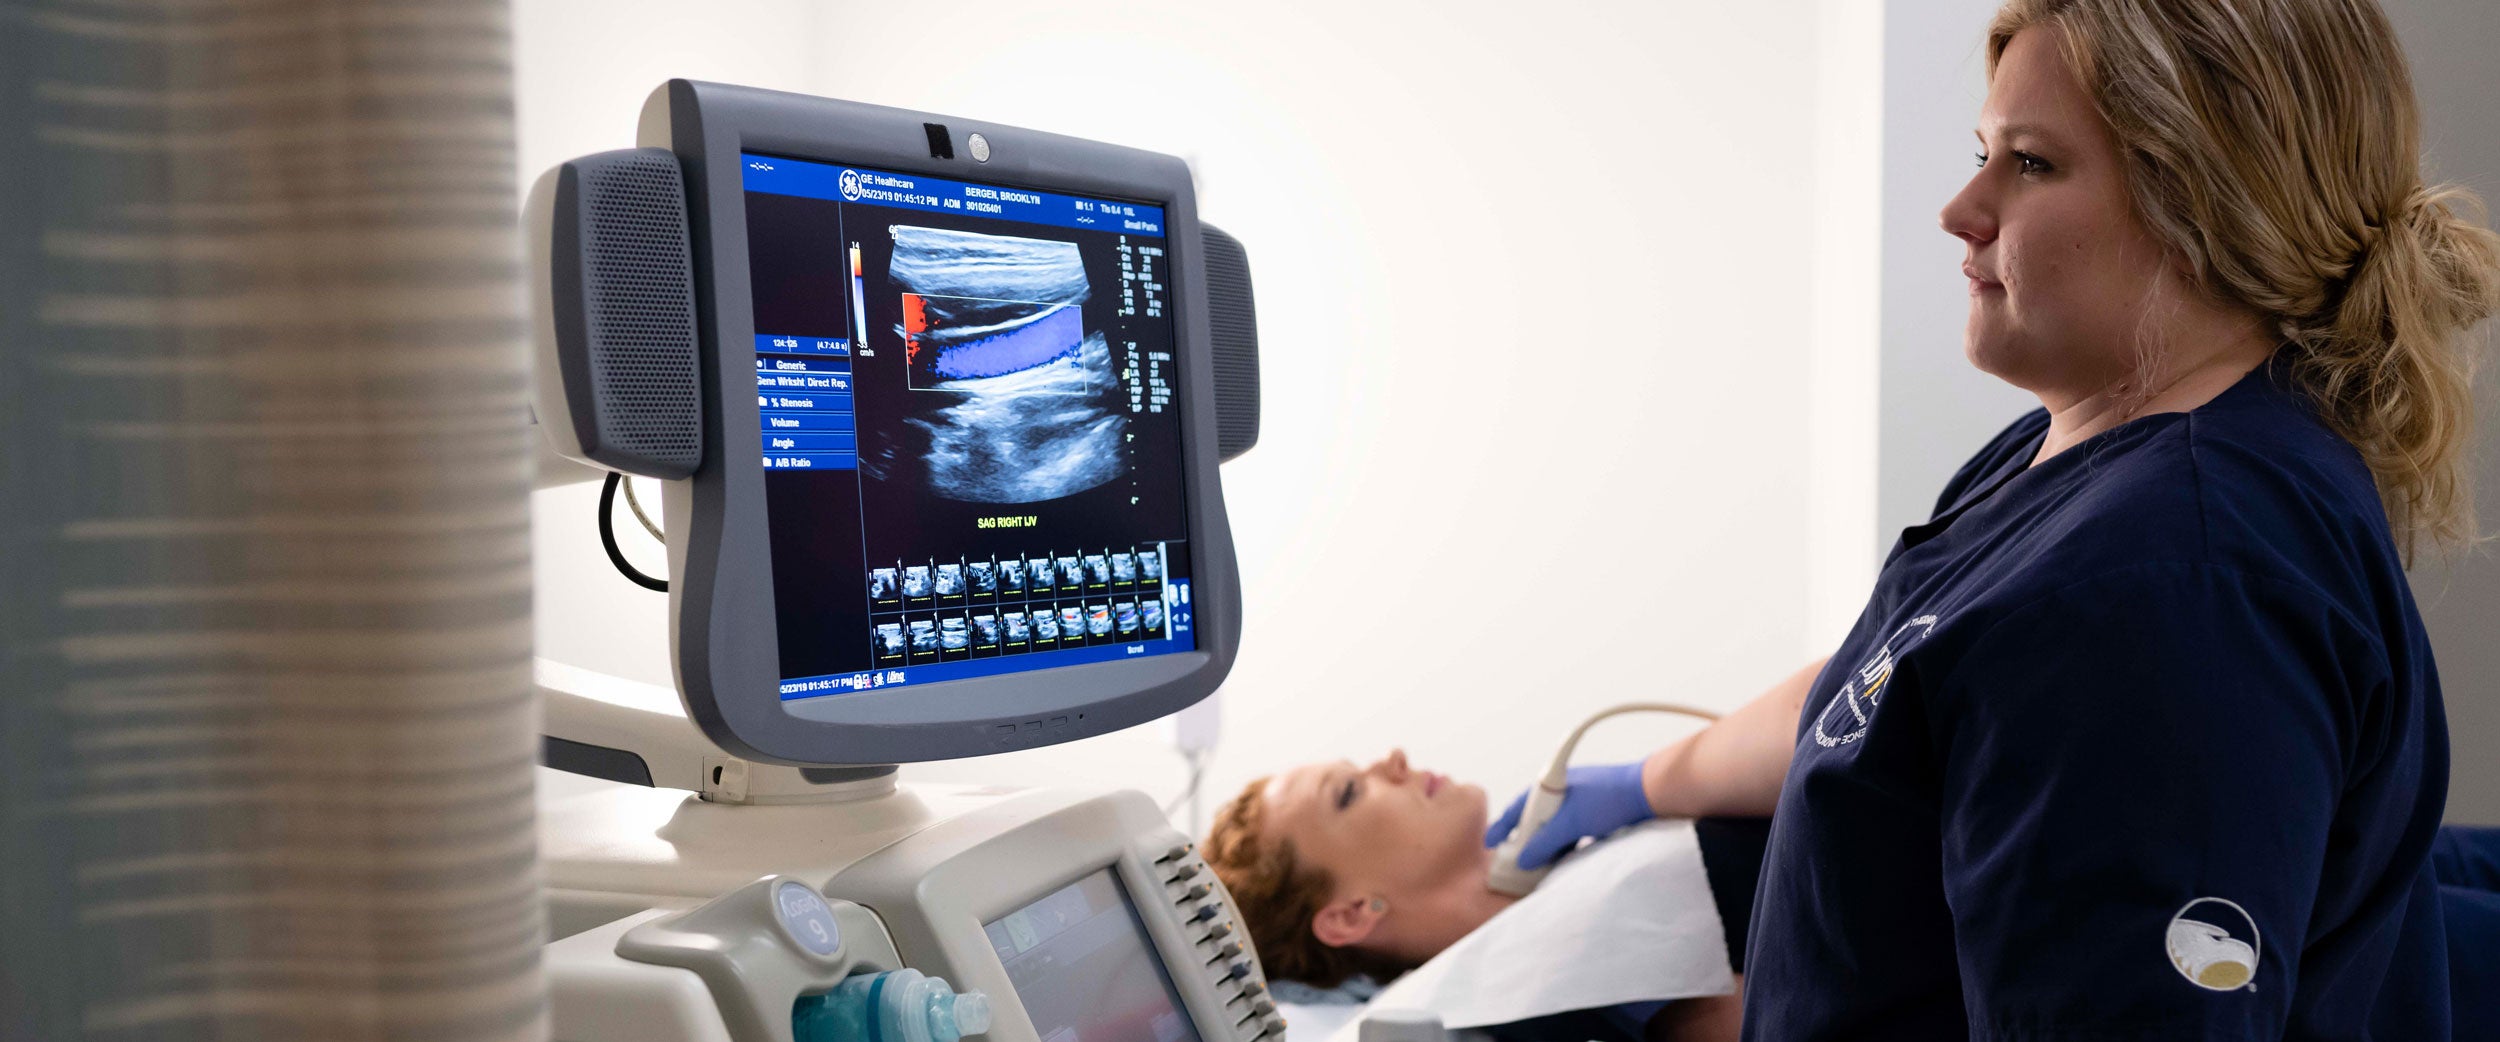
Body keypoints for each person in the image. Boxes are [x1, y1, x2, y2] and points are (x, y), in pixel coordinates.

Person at [1491, 1, 2500, 1039]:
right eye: (1984, 151)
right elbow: (1905, 680)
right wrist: (1644, 782)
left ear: (2201, 202)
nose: (1961, 208)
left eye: (2029, 164)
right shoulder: (2071, 456)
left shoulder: (2168, 581)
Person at [1203, 749, 1765, 1042]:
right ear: (1350, 915)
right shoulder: (1568, 999)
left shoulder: (1580, 849)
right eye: (1350, 791)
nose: (1393, 759)